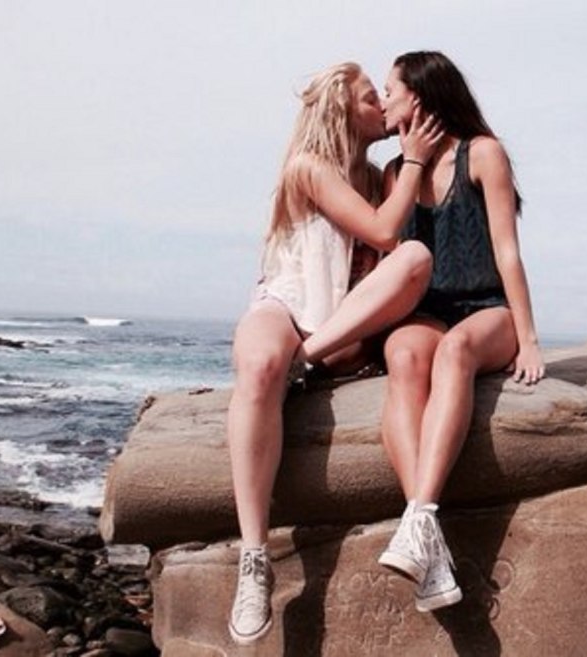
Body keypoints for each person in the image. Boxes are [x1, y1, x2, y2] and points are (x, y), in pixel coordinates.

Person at [226, 61, 442, 645]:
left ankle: (308, 361)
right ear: (340, 109)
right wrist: (415, 163)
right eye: (373, 98)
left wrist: (412, 157)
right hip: (284, 311)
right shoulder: (307, 167)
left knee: (416, 258)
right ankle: (254, 559)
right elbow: (378, 231)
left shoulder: (378, 178)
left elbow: (399, 244)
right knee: (262, 362)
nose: (383, 107)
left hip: (333, 337)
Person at [375, 51, 545, 613]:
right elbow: (390, 253)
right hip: (428, 309)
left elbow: (507, 251)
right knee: (402, 352)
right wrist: (413, 164)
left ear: (418, 97)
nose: (383, 102)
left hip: (485, 308)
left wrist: (529, 337)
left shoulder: (484, 153)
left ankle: (419, 515)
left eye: (390, 92)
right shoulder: (396, 172)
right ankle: (430, 547)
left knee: (455, 351)